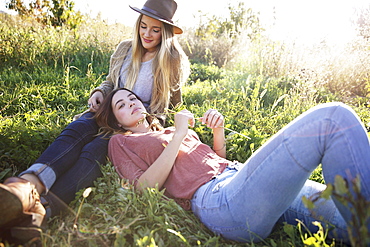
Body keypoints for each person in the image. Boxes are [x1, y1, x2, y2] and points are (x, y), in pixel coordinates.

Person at [0, 0, 189, 244]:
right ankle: (26, 187)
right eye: (144, 26)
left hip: (135, 123)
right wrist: (99, 92)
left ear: (164, 32)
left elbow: (171, 103)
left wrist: (151, 125)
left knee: (95, 151)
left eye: (155, 29)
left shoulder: (171, 60)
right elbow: (110, 82)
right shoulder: (125, 49)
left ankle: (43, 209)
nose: (147, 34)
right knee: (77, 131)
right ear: (138, 25)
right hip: (111, 106)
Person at [96, 88, 369, 245]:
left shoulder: (170, 127)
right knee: (333, 119)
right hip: (218, 200)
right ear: (117, 121)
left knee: (355, 223)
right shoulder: (122, 143)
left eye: (132, 98)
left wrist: (218, 131)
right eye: (121, 104)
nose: (130, 103)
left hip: (236, 178)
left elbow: (215, 159)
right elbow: (144, 189)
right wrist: (178, 135)